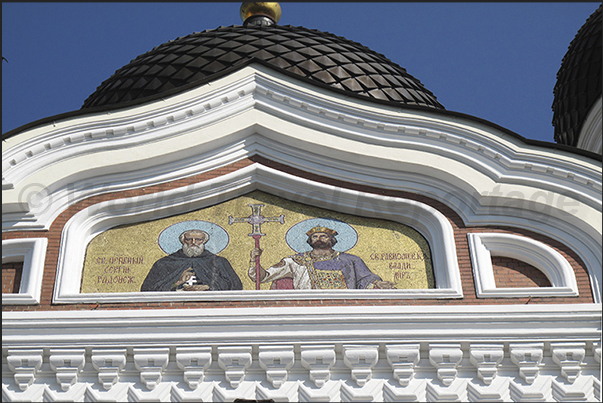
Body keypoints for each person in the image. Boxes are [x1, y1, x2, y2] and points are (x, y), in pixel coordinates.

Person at [249, 226, 396, 290]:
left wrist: (377, 285)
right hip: (306, 308)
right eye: (315, 236)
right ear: (310, 241)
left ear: (331, 240)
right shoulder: (296, 262)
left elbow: (365, 280)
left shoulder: (351, 261)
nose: (319, 238)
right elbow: (262, 277)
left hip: (344, 308)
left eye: (323, 236)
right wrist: (254, 261)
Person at [141, 230, 242, 291]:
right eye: (189, 239)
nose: (193, 242)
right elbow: (148, 289)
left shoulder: (219, 262)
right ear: (183, 241)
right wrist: (177, 283)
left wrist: (208, 287)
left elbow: (234, 286)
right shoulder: (164, 263)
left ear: (204, 241)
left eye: (198, 240)